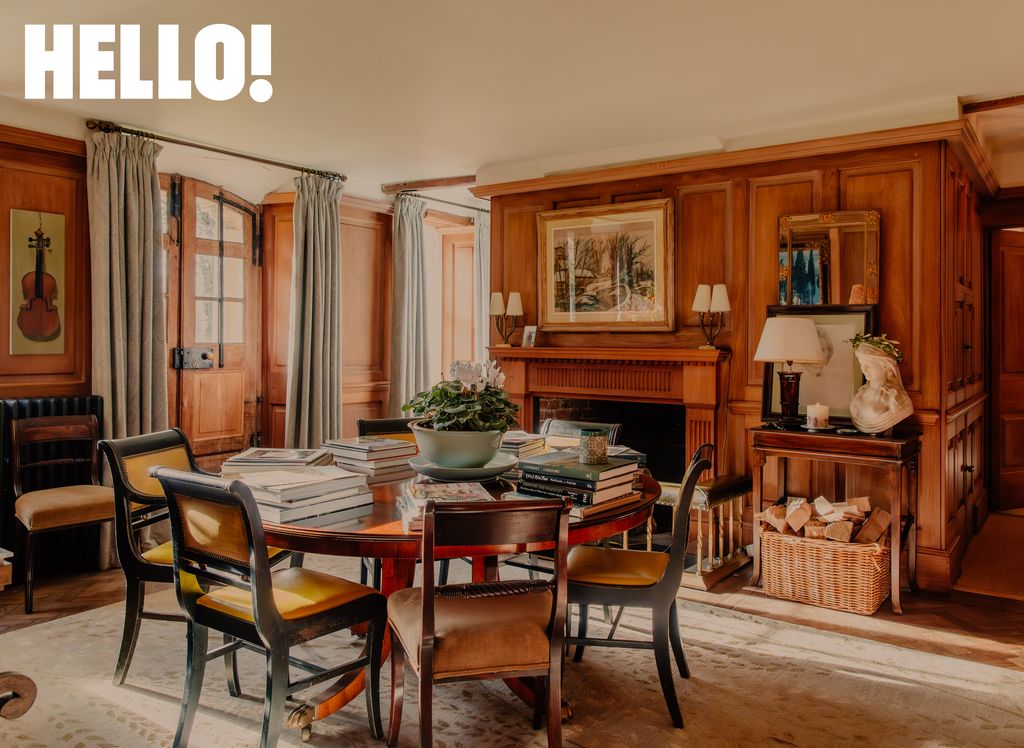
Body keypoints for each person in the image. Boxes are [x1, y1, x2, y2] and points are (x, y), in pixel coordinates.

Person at [850, 342, 913, 433]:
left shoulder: (897, 399)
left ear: (886, 366)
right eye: (862, 364)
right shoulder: (860, 393)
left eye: (869, 365)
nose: (864, 369)